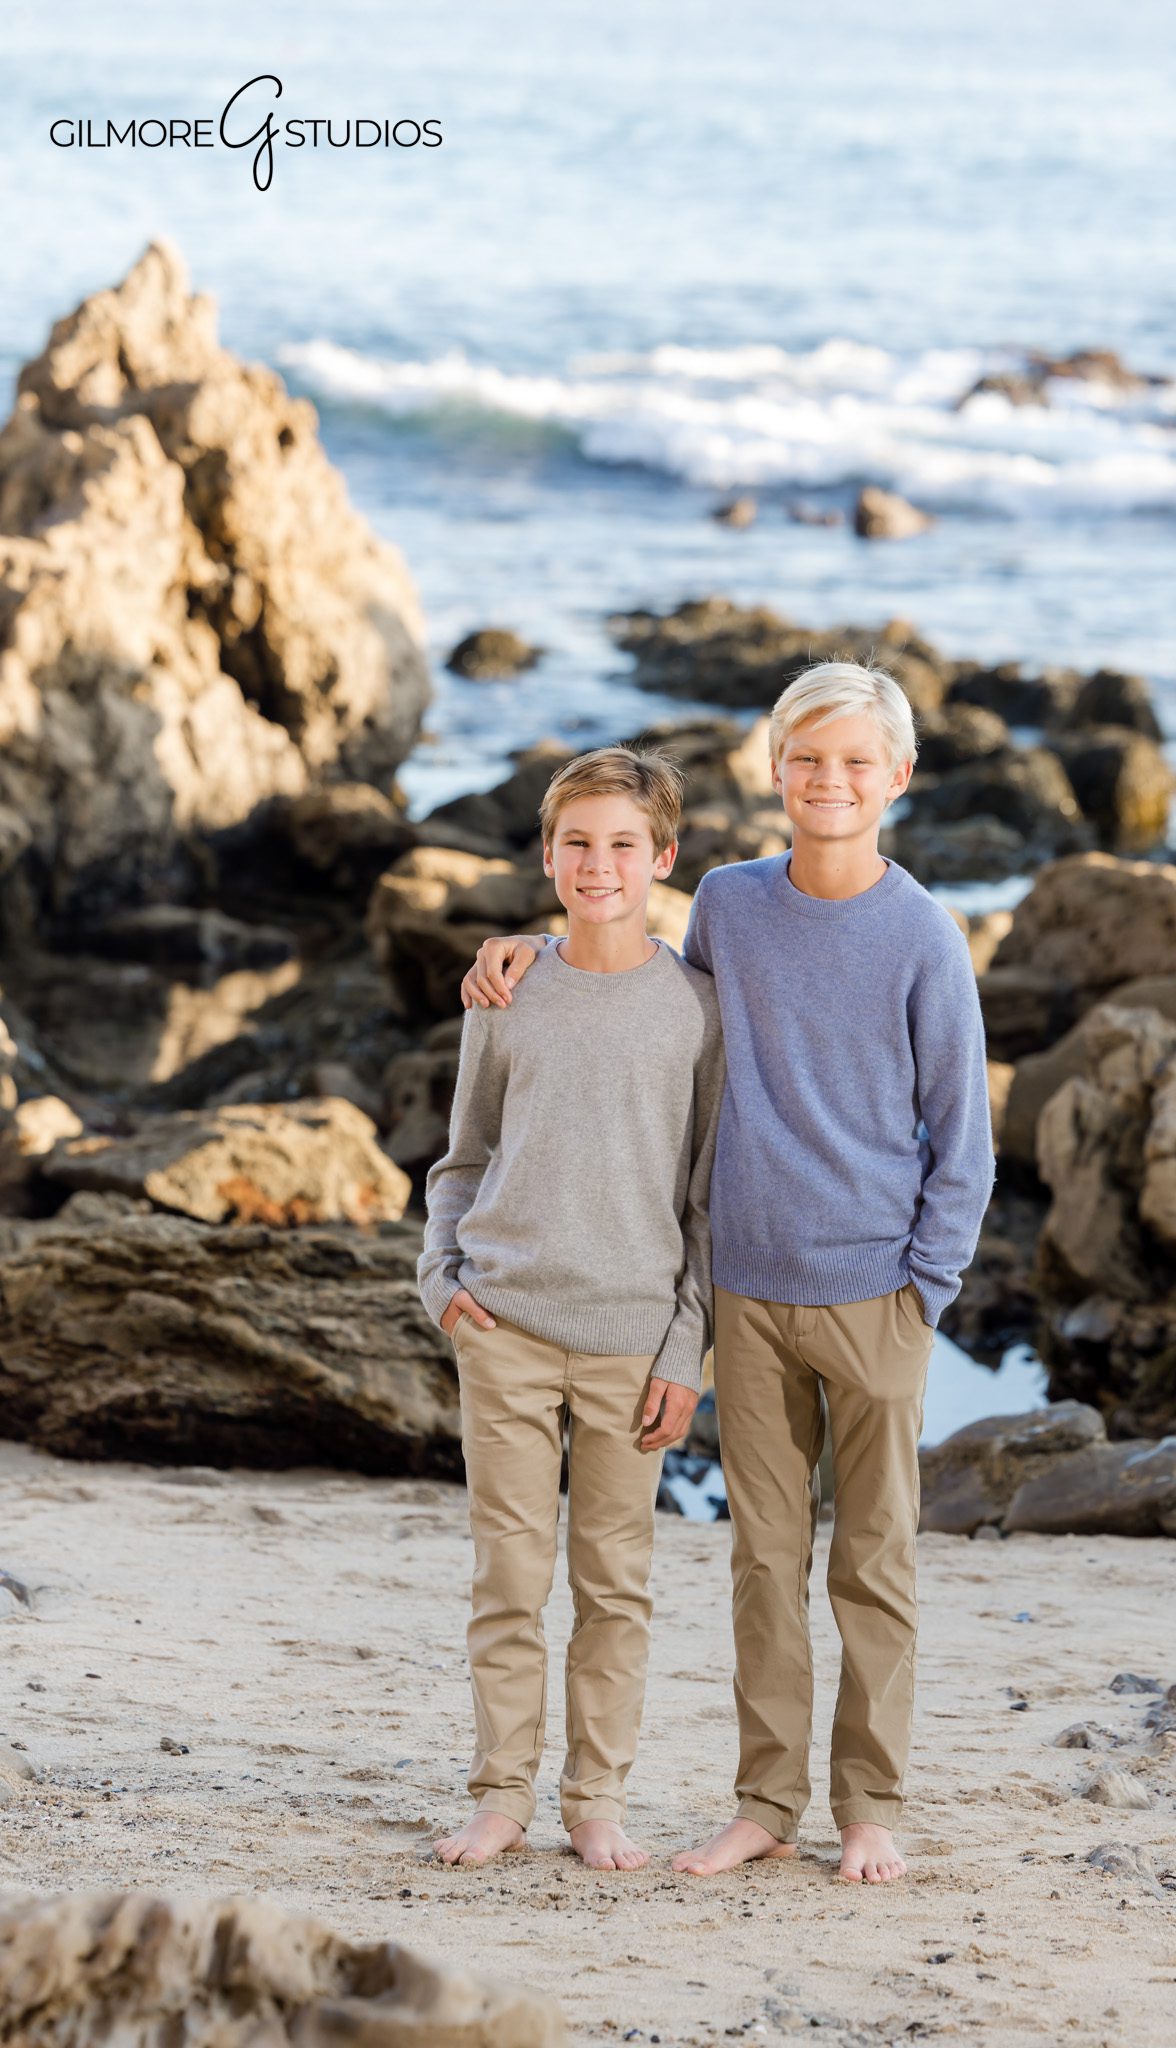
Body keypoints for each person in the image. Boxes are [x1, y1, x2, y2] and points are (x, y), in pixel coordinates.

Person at [461, 662, 994, 1884]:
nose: (830, 780)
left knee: (873, 1559)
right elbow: (628, 977)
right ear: (774, 770)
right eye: (809, 758)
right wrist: (520, 949)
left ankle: (871, 1802)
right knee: (763, 1560)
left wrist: (928, 1289)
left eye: (857, 761)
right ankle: (767, 1801)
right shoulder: (731, 907)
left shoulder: (924, 933)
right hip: (743, 1295)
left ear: (897, 777)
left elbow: (962, 1136)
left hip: (878, 1294)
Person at [419, 744, 724, 1872]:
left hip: (631, 1345)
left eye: (623, 844)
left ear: (664, 858)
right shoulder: (505, 991)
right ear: (548, 855)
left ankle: (595, 1797)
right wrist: (441, 1282)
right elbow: (462, 1159)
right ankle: (500, 1791)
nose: (600, 863)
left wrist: (684, 1349)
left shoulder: (698, 1010)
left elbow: (704, 1203)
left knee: (614, 1582)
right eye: (579, 842)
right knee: (507, 1574)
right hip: (500, 1328)